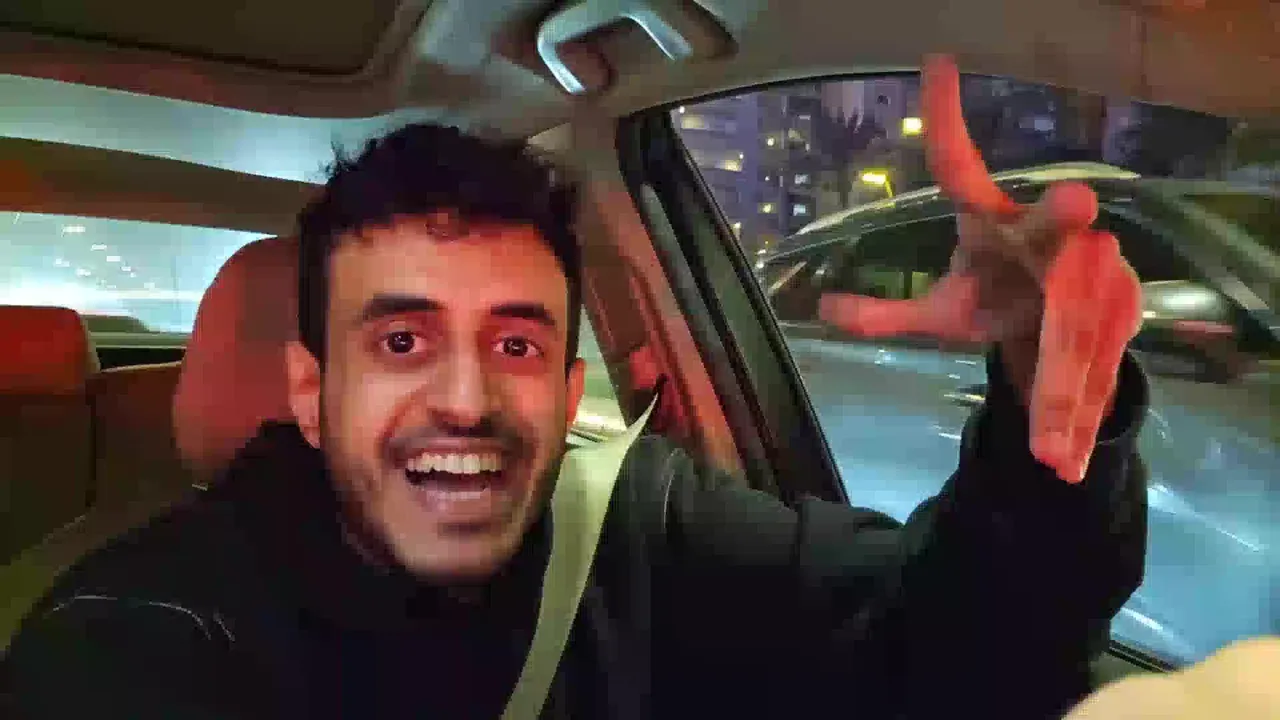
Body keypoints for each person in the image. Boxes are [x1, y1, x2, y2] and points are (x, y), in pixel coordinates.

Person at [4, 58, 1150, 719]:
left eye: (514, 346)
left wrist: (1037, 392)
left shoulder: (634, 527)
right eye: (401, 341)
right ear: (309, 393)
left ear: (565, 390)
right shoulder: (137, 631)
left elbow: (961, 651)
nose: (465, 400)